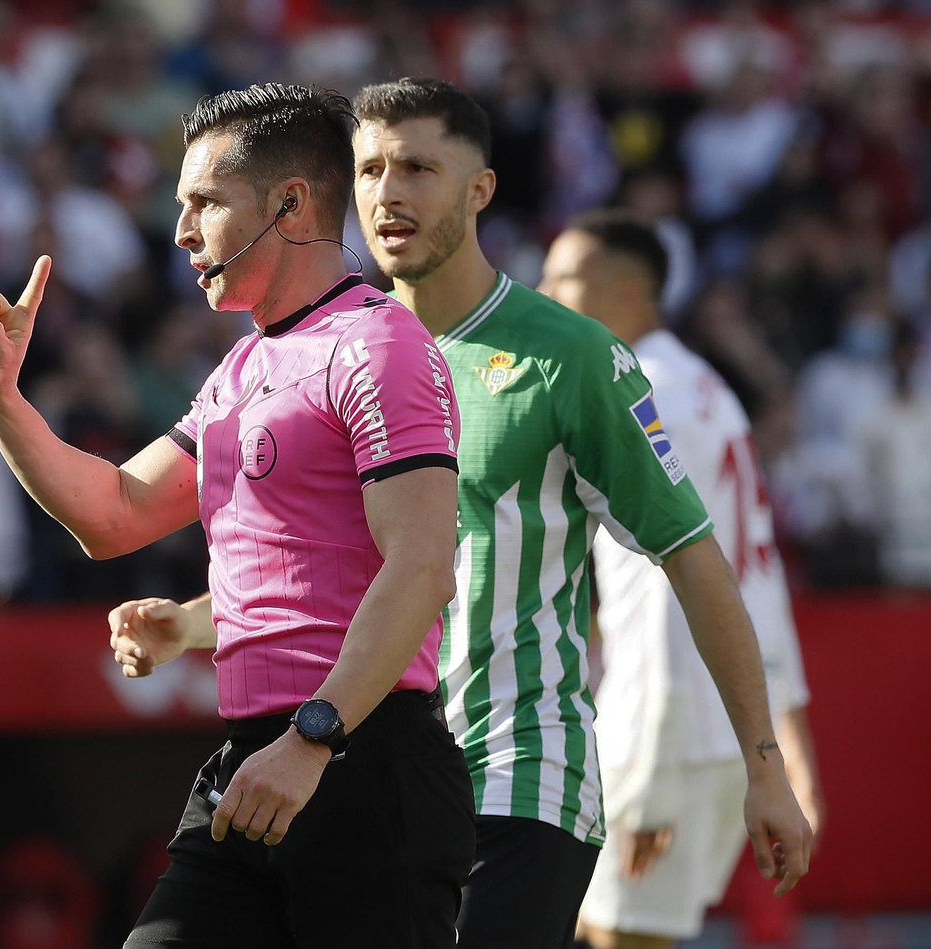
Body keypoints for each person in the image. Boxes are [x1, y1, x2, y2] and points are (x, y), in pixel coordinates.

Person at [106, 78, 812, 949]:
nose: (387, 193)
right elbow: (345, 579)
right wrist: (189, 626)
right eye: (368, 168)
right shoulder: (331, 354)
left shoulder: (568, 354)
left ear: (479, 189)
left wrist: (766, 763)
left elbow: (693, 555)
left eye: (417, 167)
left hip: (520, 770)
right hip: (367, 768)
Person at [0, 82, 475, 947]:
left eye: (203, 203)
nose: (181, 232)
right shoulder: (240, 370)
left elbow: (421, 566)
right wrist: (0, 398)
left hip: (363, 762)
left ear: (289, 204)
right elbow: (114, 515)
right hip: (253, 761)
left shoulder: (379, 346)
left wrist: (313, 738)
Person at [535, 212, 822, 949]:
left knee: (619, 935)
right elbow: (754, 570)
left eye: (562, 279)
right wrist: (789, 732)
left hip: (670, 729)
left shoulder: (642, 391)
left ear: (627, 293)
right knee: (600, 926)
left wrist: (652, 781)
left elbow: (675, 585)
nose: (541, 294)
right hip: (708, 724)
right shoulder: (703, 384)